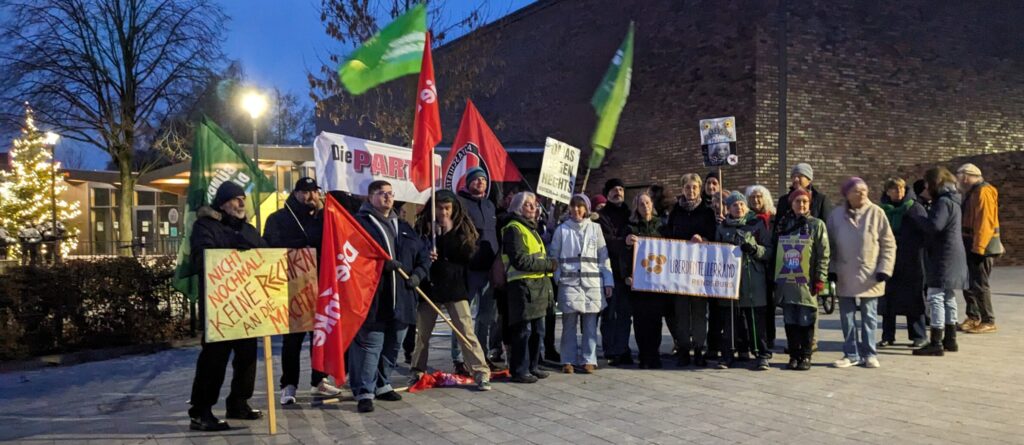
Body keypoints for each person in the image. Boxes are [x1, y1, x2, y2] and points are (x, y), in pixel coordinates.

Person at [187, 181, 266, 431]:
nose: (242, 203)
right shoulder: (205, 227)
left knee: (247, 358)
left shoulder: (249, 230)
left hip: (248, 306)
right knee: (214, 360)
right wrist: (234, 247)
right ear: (222, 203)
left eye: (243, 198)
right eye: (235, 199)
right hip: (219, 308)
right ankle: (201, 411)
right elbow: (203, 257)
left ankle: (238, 402)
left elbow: (264, 256)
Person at [351, 180, 430, 413]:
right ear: (370, 197)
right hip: (375, 297)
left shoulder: (404, 226)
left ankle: (382, 383)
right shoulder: (361, 224)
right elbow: (354, 256)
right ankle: (364, 391)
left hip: (403, 297)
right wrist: (380, 266)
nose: (387, 197)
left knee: (394, 343)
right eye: (381, 193)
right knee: (371, 345)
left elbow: (423, 256)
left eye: (390, 193)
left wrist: (418, 275)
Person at [262, 178, 343, 405]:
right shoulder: (279, 218)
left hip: (320, 285)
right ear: (295, 193)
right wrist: (301, 246)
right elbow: (270, 245)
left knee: (319, 336)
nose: (310, 197)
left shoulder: (323, 217)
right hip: (292, 287)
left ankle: (319, 379)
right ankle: (289, 384)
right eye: (305, 192)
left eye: (313, 192)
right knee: (292, 340)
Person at [410, 190, 492, 391]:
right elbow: (414, 252)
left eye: (447, 208)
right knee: (423, 334)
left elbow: (467, 254)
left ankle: (480, 371)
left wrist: (447, 233)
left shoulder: (463, 229)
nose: (443, 212)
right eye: (439, 208)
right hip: (430, 287)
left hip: (454, 286)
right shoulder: (423, 227)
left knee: (465, 331)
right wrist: (427, 251)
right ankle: (417, 369)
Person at [826, 177, 896, 369]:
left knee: (869, 316)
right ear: (847, 194)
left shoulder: (877, 213)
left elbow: (888, 244)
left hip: (871, 273)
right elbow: (829, 246)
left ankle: (870, 353)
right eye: (857, 190)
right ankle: (850, 353)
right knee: (847, 317)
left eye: (864, 190)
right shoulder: (836, 216)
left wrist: (885, 269)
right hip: (845, 272)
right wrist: (831, 270)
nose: (862, 193)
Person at [549, 194, 613, 374]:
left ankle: (589, 359)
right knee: (569, 324)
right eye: (573, 206)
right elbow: (553, 256)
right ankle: (567, 360)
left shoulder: (596, 229)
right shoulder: (562, 230)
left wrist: (608, 281)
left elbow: (603, 256)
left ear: (586, 209)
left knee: (590, 325)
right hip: (569, 283)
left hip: (592, 283)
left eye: (580, 206)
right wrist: (558, 278)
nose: (576, 210)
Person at [774, 163, 832, 353]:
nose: (796, 179)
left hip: (809, 263)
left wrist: (821, 275)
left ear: (809, 179)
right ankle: (794, 346)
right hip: (790, 264)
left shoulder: (821, 201)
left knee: (808, 309)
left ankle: (809, 344)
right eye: (794, 176)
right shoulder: (784, 202)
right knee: (791, 311)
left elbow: (824, 240)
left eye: (800, 176)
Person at [912, 168, 969, 356]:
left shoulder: (943, 202)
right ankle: (951, 339)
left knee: (935, 295)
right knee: (949, 296)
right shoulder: (953, 199)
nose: (926, 188)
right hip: (955, 254)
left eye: (928, 184)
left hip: (943, 255)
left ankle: (936, 341)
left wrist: (917, 215)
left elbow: (934, 226)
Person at [500, 191, 557, 383]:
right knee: (523, 331)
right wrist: (549, 265)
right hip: (522, 287)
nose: (533, 208)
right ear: (518, 207)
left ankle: (533, 365)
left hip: (537, 286)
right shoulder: (514, 228)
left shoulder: (531, 228)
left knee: (538, 330)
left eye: (534, 205)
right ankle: (519, 369)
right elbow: (520, 261)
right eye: (528, 205)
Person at [713, 192, 773, 370]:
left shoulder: (757, 224)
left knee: (756, 319)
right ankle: (728, 354)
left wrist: (754, 249)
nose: (738, 208)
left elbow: (769, 250)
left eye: (741, 204)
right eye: (734, 205)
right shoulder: (722, 227)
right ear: (728, 208)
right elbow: (715, 251)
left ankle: (762, 353)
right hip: (730, 280)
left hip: (752, 278)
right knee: (730, 320)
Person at [663, 173, 717, 367]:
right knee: (681, 312)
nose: (691, 191)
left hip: (700, 271)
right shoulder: (675, 212)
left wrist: (703, 239)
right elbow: (668, 236)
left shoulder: (707, 212)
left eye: (694, 187)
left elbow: (713, 237)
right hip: (679, 271)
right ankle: (684, 348)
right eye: (687, 187)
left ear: (699, 188)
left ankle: (699, 349)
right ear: (682, 189)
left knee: (700, 311)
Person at [454, 167, 501, 373]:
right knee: (463, 317)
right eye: (476, 180)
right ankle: (459, 358)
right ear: (468, 182)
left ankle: (480, 355)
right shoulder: (460, 203)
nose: (480, 183)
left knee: (486, 317)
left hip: (489, 269)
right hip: (469, 269)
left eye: (483, 179)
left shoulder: (490, 205)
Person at [878, 177, 928, 348]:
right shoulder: (882, 210)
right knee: (888, 299)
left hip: (912, 259)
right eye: (894, 189)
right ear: (887, 191)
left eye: (901, 189)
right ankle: (887, 335)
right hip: (889, 260)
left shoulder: (914, 208)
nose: (898, 192)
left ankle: (918, 335)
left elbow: (925, 231)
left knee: (914, 298)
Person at [624, 192, 670, 368]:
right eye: (641, 204)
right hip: (639, 282)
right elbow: (625, 255)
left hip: (657, 282)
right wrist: (627, 242)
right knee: (641, 321)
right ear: (636, 207)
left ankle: (654, 355)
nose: (645, 206)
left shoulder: (662, 227)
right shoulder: (631, 227)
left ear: (652, 205)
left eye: (647, 203)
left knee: (656, 321)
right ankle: (644, 355)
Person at [956, 163, 1002, 334]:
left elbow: (985, 222)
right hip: (970, 243)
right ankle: (973, 316)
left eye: (960, 176)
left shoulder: (983, 192)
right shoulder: (971, 192)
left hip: (981, 246)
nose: (958, 180)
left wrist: (979, 247)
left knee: (979, 284)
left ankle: (988, 320)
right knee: (969, 283)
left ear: (967, 176)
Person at [597, 178, 634, 366]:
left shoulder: (630, 213)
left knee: (625, 314)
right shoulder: (601, 216)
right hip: (610, 271)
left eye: (620, 188)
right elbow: (605, 241)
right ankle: (611, 349)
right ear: (607, 193)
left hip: (628, 272)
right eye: (613, 189)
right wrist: (623, 242)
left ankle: (623, 348)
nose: (617, 192)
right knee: (610, 314)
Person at [746, 185, 777, 349]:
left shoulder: (773, 218)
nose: (756, 200)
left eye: (759, 197)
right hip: (753, 266)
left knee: (769, 304)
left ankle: (769, 337)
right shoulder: (747, 218)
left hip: (771, 265)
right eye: (752, 197)